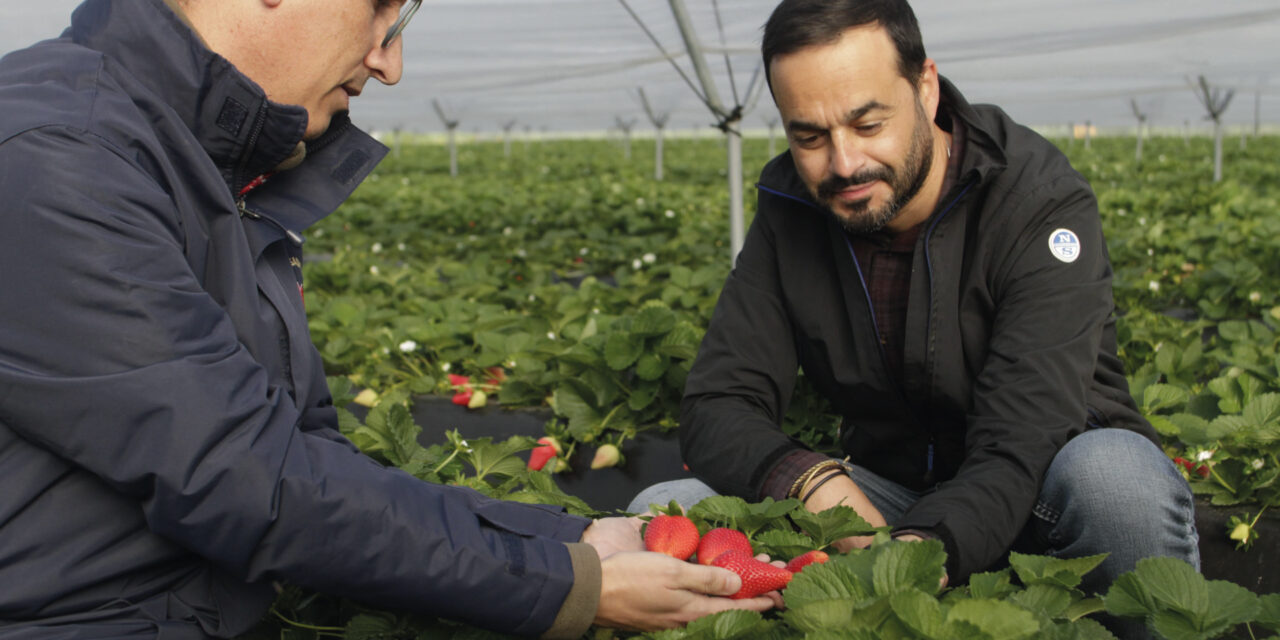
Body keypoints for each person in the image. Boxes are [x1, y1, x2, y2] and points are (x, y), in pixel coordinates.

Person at [0, 1, 778, 638]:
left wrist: (569, 541)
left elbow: (299, 454)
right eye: (380, 13)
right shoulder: (61, 155)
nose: (390, 63)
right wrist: (567, 585)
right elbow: (246, 478)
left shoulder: (204, 164)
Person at [630, 0, 1199, 630]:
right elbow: (717, 404)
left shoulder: (1034, 202)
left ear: (925, 88)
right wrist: (812, 483)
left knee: (1115, 476)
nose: (843, 163)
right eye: (809, 137)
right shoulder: (790, 209)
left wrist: (917, 556)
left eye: (868, 124)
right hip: (887, 498)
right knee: (669, 507)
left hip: (1039, 494)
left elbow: (1023, 438)